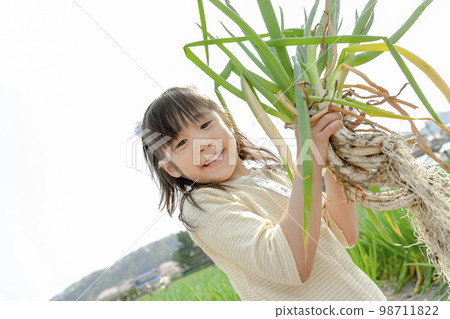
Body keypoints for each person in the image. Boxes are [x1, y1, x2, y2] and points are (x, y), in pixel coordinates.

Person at [139, 86, 387, 301]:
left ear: (227, 122)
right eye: (181, 143)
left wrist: (332, 153)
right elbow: (290, 262)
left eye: (205, 124)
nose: (202, 144)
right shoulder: (203, 206)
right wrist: (309, 160)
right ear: (171, 168)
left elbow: (344, 233)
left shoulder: (271, 173)